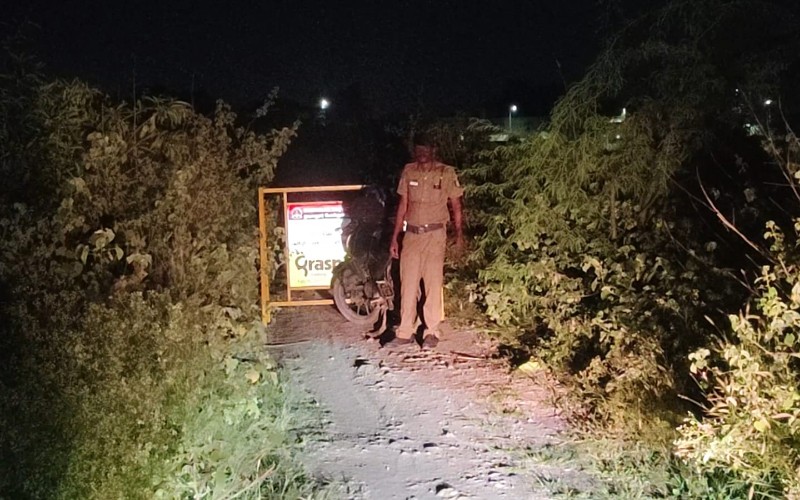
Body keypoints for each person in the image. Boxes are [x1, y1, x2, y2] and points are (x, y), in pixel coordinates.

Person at [386, 134, 464, 349]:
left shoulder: (445, 172)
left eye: (426, 149)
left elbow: (456, 205)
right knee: (408, 283)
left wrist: (459, 234)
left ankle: (431, 331)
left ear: (433, 150)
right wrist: (395, 237)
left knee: (432, 283)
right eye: (418, 149)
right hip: (411, 235)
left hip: (434, 235)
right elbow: (403, 204)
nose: (422, 153)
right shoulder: (409, 171)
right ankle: (405, 332)